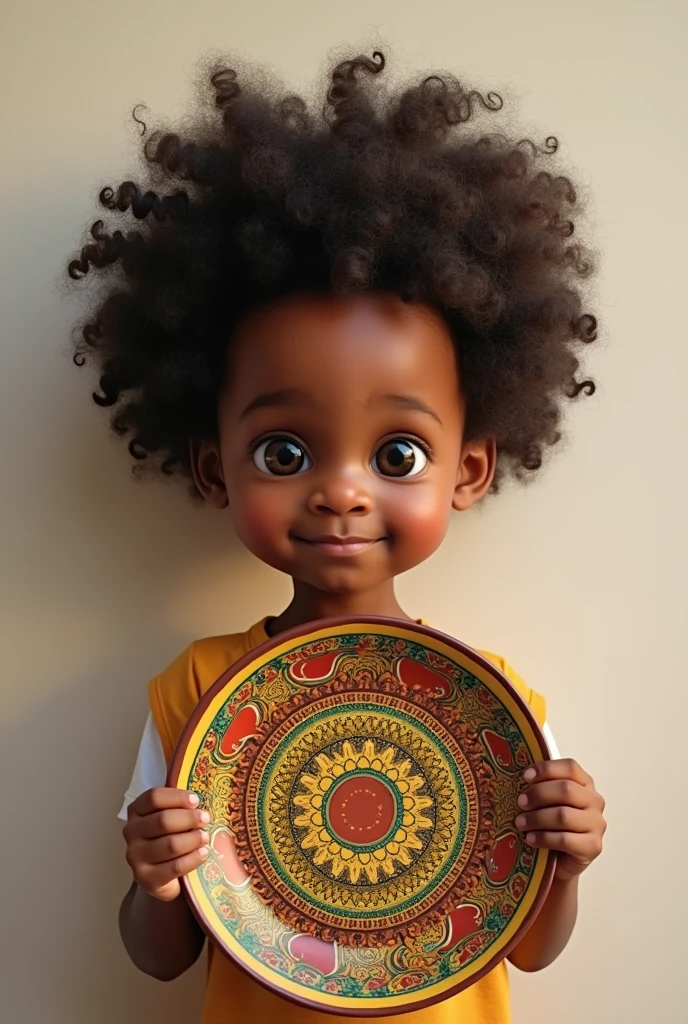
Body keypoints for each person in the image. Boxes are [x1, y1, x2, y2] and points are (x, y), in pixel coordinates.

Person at [66, 48, 607, 1024]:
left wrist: (562, 864)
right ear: (212, 469)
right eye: (284, 451)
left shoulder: (497, 705)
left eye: (395, 454)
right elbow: (161, 958)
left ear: (468, 470)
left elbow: (526, 946)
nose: (340, 494)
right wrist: (151, 880)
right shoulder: (198, 693)